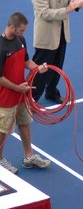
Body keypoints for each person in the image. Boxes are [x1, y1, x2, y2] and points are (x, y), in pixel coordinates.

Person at [30, 0, 83, 104]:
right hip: (47, 35)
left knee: (57, 66)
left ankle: (51, 91)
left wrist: (76, 2)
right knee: (41, 70)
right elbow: (44, 13)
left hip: (61, 32)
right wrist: (68, 9)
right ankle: (32, 98)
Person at [0, 12, 52, 174]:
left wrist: (38, 68)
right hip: (6, 98)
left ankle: (29, 156)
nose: (23, 34)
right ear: (12, 27)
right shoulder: (1, 47)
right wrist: (17, 88)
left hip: (21, 93)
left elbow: (26, 61)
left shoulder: (20, 40)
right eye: (21, 31)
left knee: (24, 122)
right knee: (3, 130)